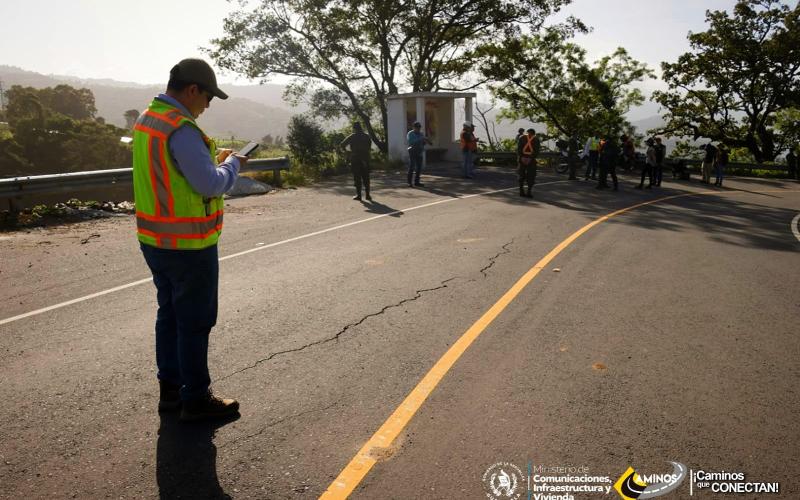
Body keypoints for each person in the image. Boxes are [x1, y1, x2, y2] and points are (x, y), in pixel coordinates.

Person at [133, 58, 246, 421]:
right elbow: (209, 183)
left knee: (168, 316)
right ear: (192, 89)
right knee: (195, 323)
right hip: (189, 246)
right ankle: (196, 398)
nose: (208, 105)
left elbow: (173, 172)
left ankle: (171, 393)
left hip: (155, 240)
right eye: (208, 96)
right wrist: (231, 166)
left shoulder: (149, 120)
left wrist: (212, 160)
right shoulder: (181, 128)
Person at [339, 121, 373, 201]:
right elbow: (369, 146)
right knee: (366, 177)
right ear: (361, 127)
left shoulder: (352, 136)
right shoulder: (367, 136)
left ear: (354, 128)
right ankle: (368, 195)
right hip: (365, 158)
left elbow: (342, 144)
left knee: (357, 177)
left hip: (355, 158)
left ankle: (359, 195)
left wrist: (348, 152)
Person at [406, 121, 431, 187]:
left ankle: (417, 182)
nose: (418, 129)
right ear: (413, 127)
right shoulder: (410, 133)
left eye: (419, 127)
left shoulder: (421, 134)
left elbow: (422, 143)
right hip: (412, 151)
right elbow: (411, 142)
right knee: (412, 166)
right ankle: (409, 182)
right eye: (417, 127)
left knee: (419, 168)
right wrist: (421, 139)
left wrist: (426, 141)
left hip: (419, 152)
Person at [517, 128, 539, 197]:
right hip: (531, 160)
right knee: (531, 175)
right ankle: (529, 192)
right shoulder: (536, 139)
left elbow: (518, 149)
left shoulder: (521, 137)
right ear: (534, 133)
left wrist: (522, 157)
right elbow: (536, 151)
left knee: (521, 175)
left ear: (527, 132)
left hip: (522, 159)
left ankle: (521, 191)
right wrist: (530, 158)